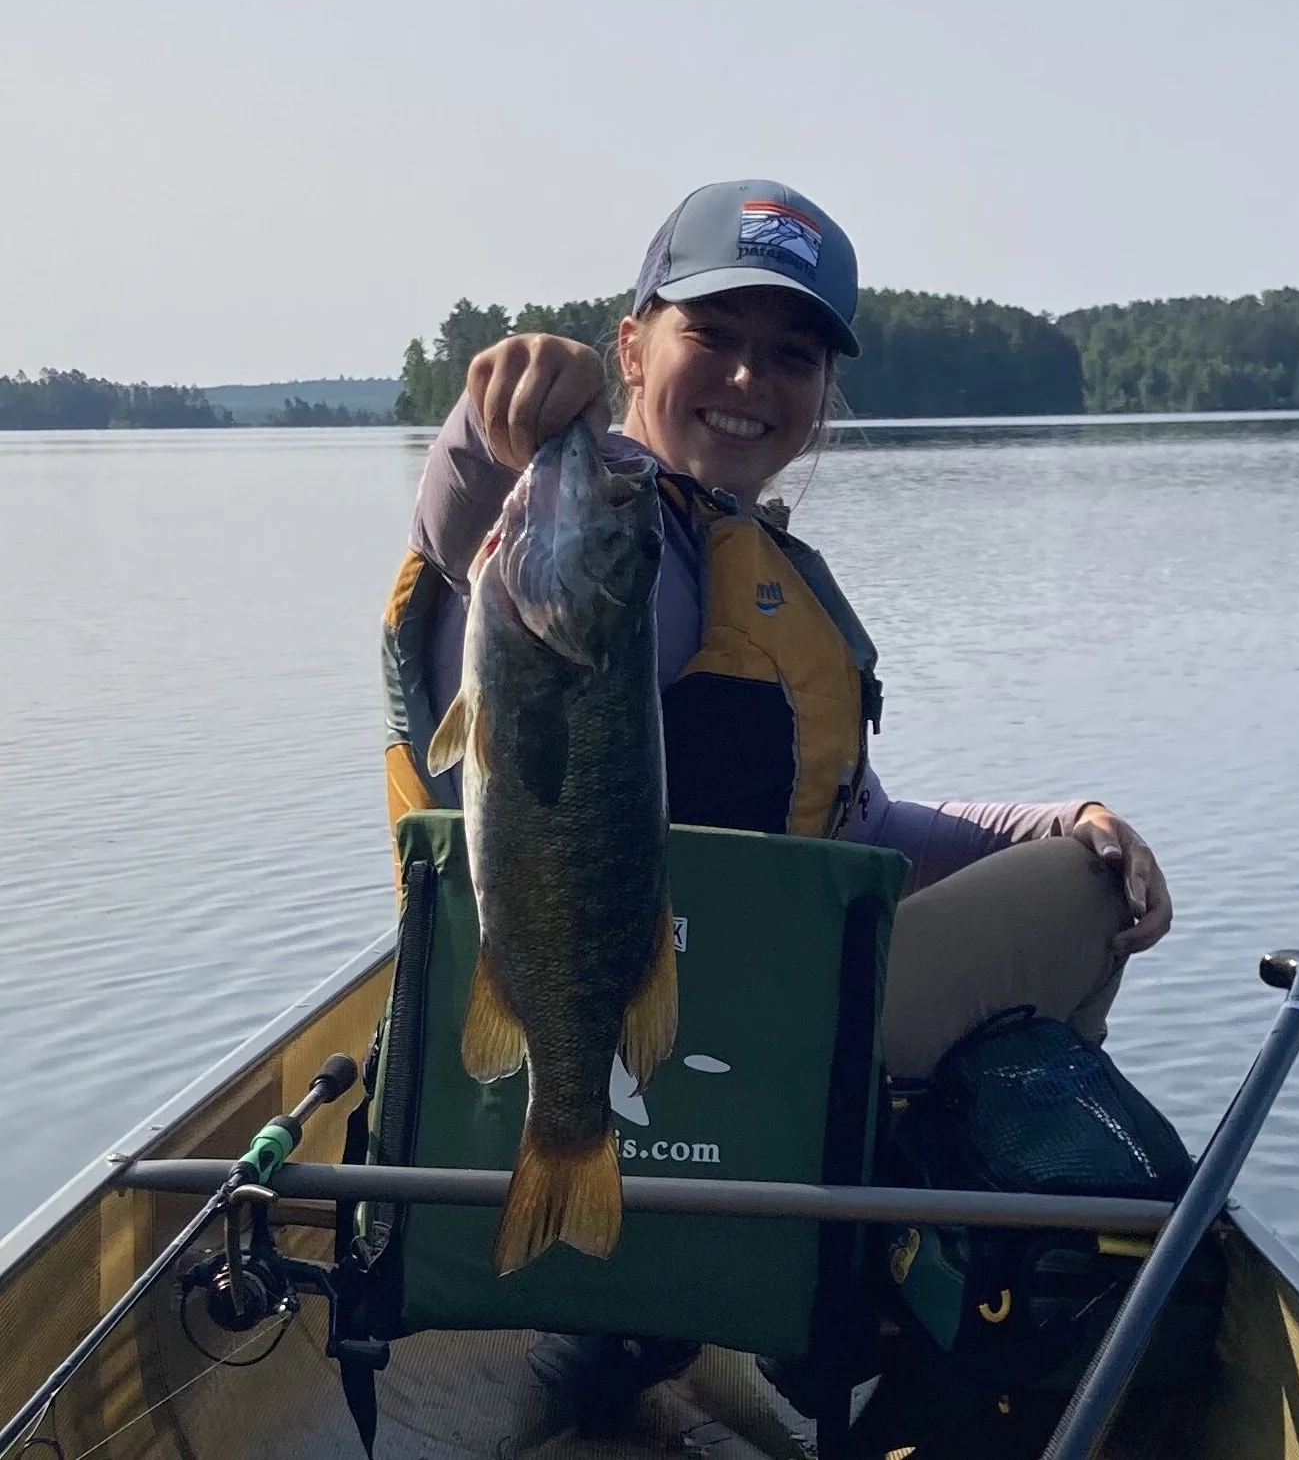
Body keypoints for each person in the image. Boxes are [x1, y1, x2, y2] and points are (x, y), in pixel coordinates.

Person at [380, 178, 1174, 1433]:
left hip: (720, 1033)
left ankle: (799, 1261)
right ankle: (926, 1244)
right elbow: (468, 611)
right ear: (629, 345)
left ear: (820, 397)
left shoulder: (730, 553)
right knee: (1089, 901)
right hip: (740, 1040)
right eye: (716, 337)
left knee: (1073, 856)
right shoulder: (625, 541)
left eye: (789, 355)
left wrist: (1043, 816)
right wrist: (486, 435)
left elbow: (850, 828)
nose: (750, 380)